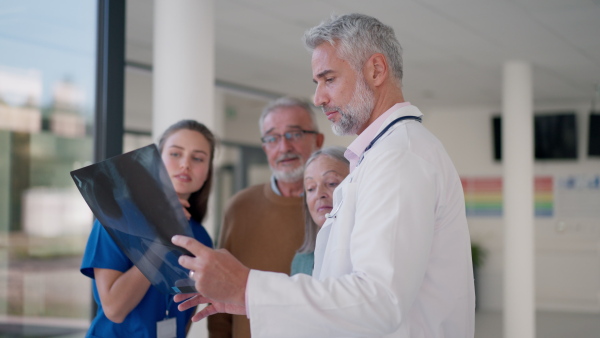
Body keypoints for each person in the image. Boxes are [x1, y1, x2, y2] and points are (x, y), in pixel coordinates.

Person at [174, 13, 475, 337]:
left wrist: (248, 287)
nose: (319, 98)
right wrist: (251, 300)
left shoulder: (398, 158)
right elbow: (347, 296)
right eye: (317, 83)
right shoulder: (379, 157)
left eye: (328, 79)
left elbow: (378, 301)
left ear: (376, 70)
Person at [80, 120, 215, 337]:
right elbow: (115, 309)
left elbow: (187, 313)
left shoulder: (201, 238)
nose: (185, 164)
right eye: (175, 154)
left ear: (208, 171)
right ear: (156, 161)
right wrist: (162, 237)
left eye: (198, 158)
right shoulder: (117, 218)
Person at [207, 97, 324, 338]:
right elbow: (220, 298)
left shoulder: (337, 205)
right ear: (265, 148)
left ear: (318, 140)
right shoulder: (239, 207)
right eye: (272, 138)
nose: (284, 147)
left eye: (295, 134)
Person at [290, 146, 349, 276]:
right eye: (311, 188)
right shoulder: (301, 261)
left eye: (332, 183)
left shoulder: (366, 251)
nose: (319, 194)